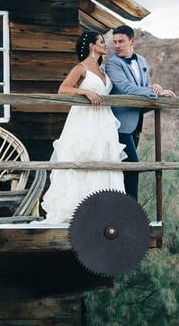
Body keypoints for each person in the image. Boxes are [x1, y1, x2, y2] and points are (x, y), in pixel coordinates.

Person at [40, 31, 126, 222]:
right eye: (102, 42)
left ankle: (104, 211)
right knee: (83, 158)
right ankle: (78, 211)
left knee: (104, 160)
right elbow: (63, 89)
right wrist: (84, 91)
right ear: (92, 46)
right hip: (84, 120)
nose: (106, 45)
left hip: (104, 121)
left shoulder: (103, 69)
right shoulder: (81, 68)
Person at [104, 25, 175, 200]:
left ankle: (123, 209)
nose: (117, 45)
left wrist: (155, 88)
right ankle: (132, 210)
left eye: (121, 41)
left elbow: (142, 86)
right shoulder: (113, 63)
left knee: (126, 168)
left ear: (132, 41)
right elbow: (127, 88)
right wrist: (153, 93)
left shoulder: (142, 61)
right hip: (119, 123)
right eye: (115, 42)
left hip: (136, 122)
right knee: (132, 166)